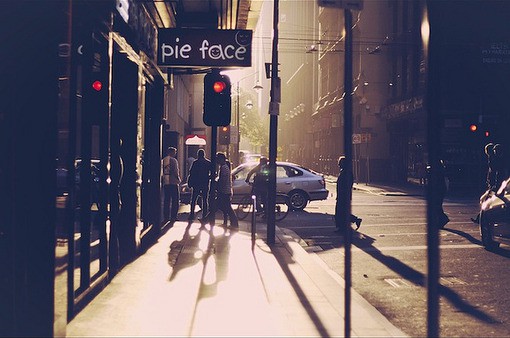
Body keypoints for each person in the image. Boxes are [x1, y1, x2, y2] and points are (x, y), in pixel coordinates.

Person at [202, 152, 238, 228]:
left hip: (224, 191)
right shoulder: (224, 167)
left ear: (221, 159)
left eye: (218, 158)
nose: (217, 160)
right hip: (225, 191)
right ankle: (206, 220)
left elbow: (223, 180)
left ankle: (234, 224)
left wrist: (217, 186)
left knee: (223, 208)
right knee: (220, 207)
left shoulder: (224, 168)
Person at [334, 156, 362, 233]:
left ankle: (342, 227)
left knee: (340, 212)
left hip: (344, 196)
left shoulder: (346, 172)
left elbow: (347, 185)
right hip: (341, 195)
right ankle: (355, 220)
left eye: (340, 163)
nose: (338, 165)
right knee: (343, 212)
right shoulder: (344, 171)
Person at [187, 148, 211, 220]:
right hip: (205, 183)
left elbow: (191, 173)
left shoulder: (195, 163)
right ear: (204, 155)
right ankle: (204, 215)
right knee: (205, 199)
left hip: (196, 183)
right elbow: (213, 173)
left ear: (198, 155)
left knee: (194, 199)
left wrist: (191, 182)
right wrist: (207, 177)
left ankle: (191, 214)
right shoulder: (208, 162)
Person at [427, 158, 449, 229]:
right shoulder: (440, 169)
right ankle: (441, 220)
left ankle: (443, 219)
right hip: (441, 189)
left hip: (438, 190)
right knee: (438, 206)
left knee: (437, 205)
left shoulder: (437, 170)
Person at [162, 147, 181, 222]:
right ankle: (174, 216)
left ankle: (166, 216)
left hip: (166, 182)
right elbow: (175, 171)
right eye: (175, 152)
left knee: (167, 200)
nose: (175, 154)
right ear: (172, 152)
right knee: (175, 200)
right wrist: (178, 179)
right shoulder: (174, 160)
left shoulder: (163, 160)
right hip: (173, 182)